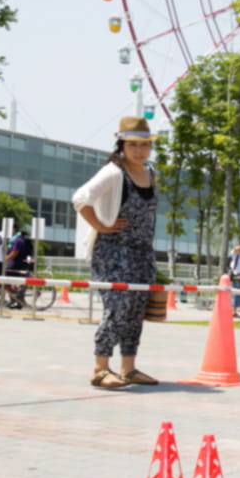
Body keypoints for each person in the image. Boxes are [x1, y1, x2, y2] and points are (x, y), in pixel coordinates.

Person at [72, 116, 161, 389]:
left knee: (135, 309)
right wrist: (100, 225)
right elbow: (80, 198)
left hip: (142, 252)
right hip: (114, 251)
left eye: (144, 145)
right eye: (132, 144)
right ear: (122, 144)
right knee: (118, 307)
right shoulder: (113, 172)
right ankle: (100, 368)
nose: (139, 150)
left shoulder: (151, 173)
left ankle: (128, 368)